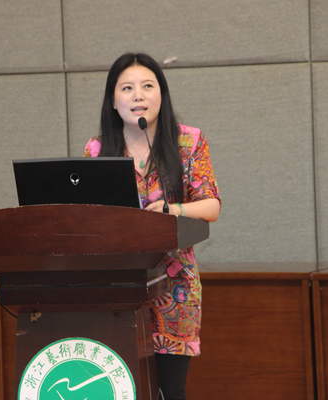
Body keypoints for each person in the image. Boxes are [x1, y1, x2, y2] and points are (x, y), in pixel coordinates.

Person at [83, 52, 221, 400]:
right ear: (113, 100)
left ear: (162, 93)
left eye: (147, 86)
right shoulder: (98, 150)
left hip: (176, 286)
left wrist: (173, 209)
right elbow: (87, 216)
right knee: (120, 387)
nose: (138, 96)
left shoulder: (189, 141)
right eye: (127, 88)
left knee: (169, 391)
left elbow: (211, 206)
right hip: (119, 285)